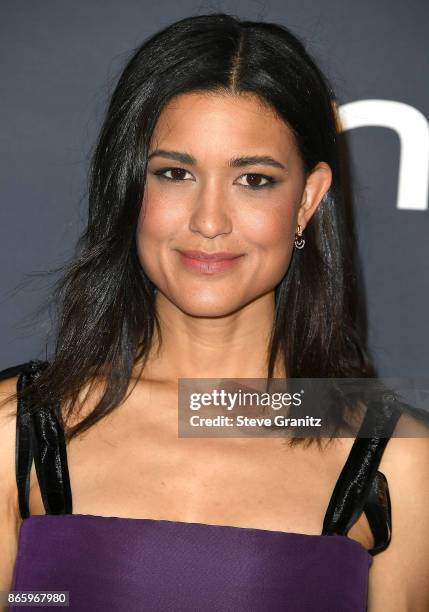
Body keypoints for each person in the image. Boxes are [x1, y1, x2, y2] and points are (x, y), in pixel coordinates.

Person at [0, 12, 428, 612]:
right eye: (175, 174)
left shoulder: (398, 456)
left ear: (306, 201)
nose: (208, 221)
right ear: (131, 189)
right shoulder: (16, 429)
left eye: (253, 180)